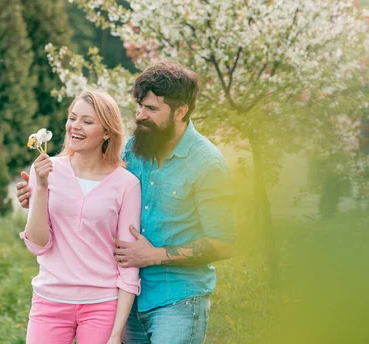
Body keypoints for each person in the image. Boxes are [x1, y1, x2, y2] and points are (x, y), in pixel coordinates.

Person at [18, 61, 236, 344]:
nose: (141, 116)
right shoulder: (133, 150)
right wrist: (38, 197)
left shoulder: (207, 164)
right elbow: (93, 193)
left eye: (152, 109)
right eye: (140, 106)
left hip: (177, 299)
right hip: (128, 299)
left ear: (181, 111)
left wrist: (155, 255)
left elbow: (224, 243)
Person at [20, 90, 142, 344]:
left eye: (87, 121)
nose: (75, 126)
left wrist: (116, 333)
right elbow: (38, 244)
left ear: (107, 132)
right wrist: (40, 187)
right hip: (49, 300)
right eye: (73, 118)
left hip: (101, 305)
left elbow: (128, 264)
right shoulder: (45, 169)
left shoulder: (127, 184)